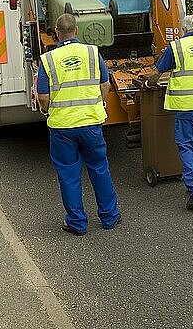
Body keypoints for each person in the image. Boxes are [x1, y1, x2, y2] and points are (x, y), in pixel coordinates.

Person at [37, 13, 121, 235]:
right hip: (91, 123)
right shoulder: (93, 53)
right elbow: (105, 84)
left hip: (62, 127)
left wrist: (48, 110)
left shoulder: (48, 60)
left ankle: (76, 223)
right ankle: (110, 217)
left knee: (68, 174)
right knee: (99, 168)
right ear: (76, 31)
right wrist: (98, 103)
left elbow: (43, 97)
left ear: (56, 32)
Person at [144, 14, 193, 210]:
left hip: (187, 108)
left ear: (184, 29)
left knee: (188, 147)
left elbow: (158, 72)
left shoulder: (176, 47)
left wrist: (148, 83)